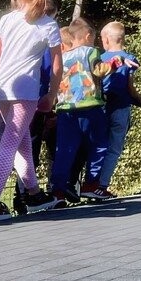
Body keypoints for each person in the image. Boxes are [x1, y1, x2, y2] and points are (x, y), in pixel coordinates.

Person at [0, 0, 62, 216]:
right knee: (9, 143)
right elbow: (57, 65)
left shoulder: (7, 20)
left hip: (3, 88)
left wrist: (0, 80)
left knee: (22, 144)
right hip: (27, 90)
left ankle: (34, 194)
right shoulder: (49, 24)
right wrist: (51, 93)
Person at [52, 17, 112, 202]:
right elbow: (98, 71)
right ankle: (91, 185)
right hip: (90, 106)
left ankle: (58, 191)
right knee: (99, 145)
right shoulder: (91, 51)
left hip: (65, 109)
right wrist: (114, 64)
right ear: (87, 36)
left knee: (64, 150)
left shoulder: (62, 57)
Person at [98, 21, 141, 196]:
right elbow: (130, 86)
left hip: (101, 106)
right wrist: (138, 99)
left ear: (107, 39)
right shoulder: (130, 58)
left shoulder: (99, 58)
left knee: (98, 145)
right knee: (114, 147)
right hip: (122, 106)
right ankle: (102, 185)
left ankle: (89, 183)